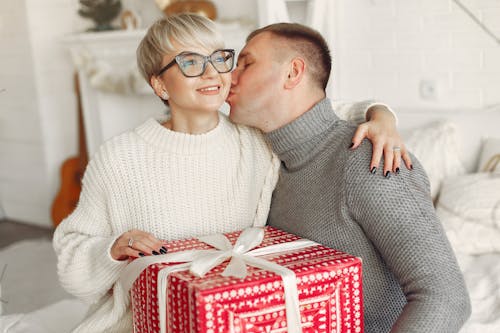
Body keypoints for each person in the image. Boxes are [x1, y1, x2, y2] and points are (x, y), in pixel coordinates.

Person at [53, 14, 404, 333]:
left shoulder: (255, 136)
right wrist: (111, 250)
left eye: (220, 58)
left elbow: (322, 112)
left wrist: (381, 115)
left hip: (241, 317)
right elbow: (72, 261)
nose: (212, 74)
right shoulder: (119, 157)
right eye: (190, 62)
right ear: (159, 85)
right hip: (144, 321)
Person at [226, 22, 471, 333]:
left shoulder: (368, 159)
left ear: (292, 73)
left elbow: (446, 298)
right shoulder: (268, 167)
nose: (230, 76)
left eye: (246, 63)